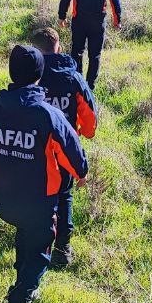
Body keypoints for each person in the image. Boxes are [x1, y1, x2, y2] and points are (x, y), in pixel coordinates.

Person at [0, 45, 89, 303]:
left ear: (11, 72)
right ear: (39, 76)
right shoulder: (48, 115)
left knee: (23, 234)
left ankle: (23, 282)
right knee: (41, 248)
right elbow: (74, 156)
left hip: (6, 202)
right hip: (40, 202)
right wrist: (81, 175)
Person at [30, 27, 97, 269]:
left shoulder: (29, 77)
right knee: (64, 195)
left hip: (34, 147)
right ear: (58, 47)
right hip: (66, 150)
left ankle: (35, 245)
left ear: (35, 50)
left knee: (38, 195)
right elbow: (89, 116)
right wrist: (85, 134)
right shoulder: (73, 78)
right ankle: (61, 250)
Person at [57, 0, 123, 89]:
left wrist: (62, 16)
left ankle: (78, 84)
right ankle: (90, 86)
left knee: (77, 52)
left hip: (79, 21)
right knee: (95, 55)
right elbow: (115, 0)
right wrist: (117, 21)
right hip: (98, 22)